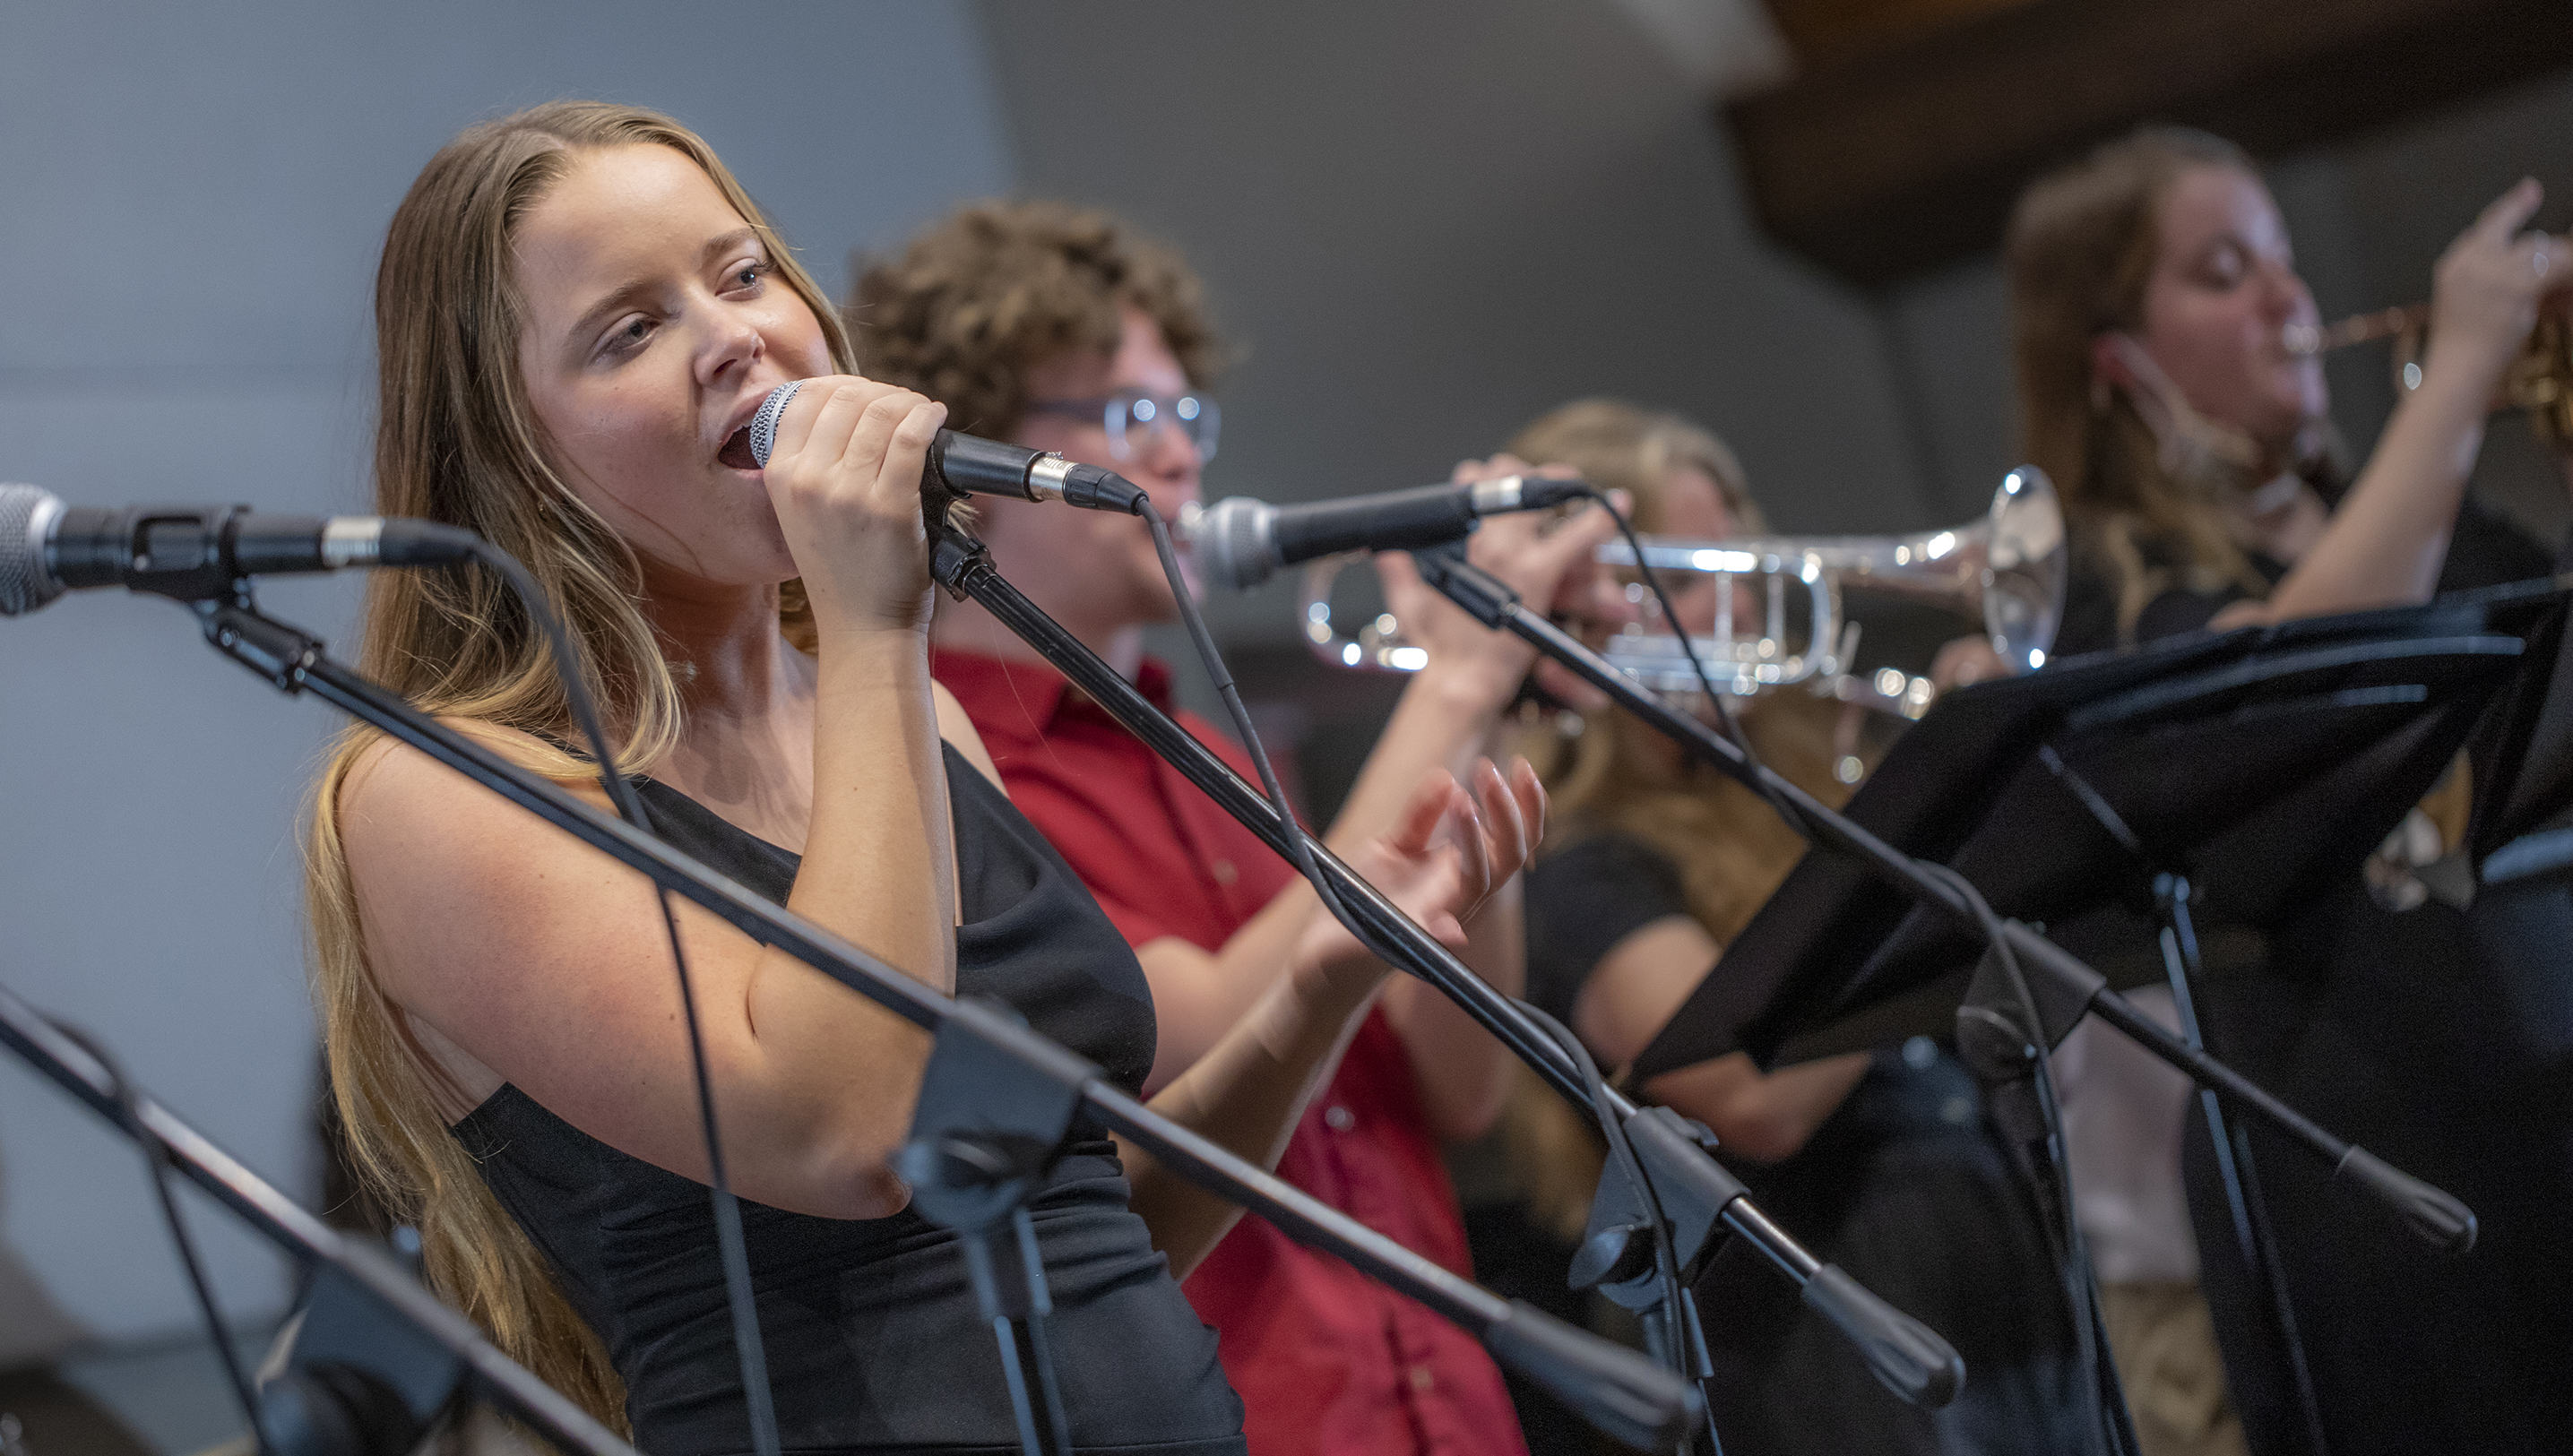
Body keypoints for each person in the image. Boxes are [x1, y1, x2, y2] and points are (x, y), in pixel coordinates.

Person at [306, 102, 1543, 1454]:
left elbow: (1066, 1224)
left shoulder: (915, 725)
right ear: (513, 463)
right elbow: (850, 1129)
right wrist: (875, 623)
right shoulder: (434, 796)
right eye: (629, 329)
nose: (734, 338)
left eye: (740, 273)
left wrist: (1311, 994)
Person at [855, 201, 1616, 1456]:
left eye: (1184, 416)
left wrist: (1491, 719)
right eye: (1127, 416)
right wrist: (1453, 690)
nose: (1178, 458)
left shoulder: (1220, 759)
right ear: (976, 466)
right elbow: (1190, 1028)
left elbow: (1454, 1085)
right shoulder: (948, 771)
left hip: (1443, 1404)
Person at [2007, 125, 2572, 1456]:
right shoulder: (2089, 587)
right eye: (2219, 271)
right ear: (2115, 363)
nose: (2284, 300)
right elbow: (2291, 679)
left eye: (2281, 260)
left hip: (2529, 1084)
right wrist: (2460, 375)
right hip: (2348, 1152)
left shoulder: (2425, 525)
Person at [1497, 399, 2094, 1456]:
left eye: (1737, 565)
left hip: (1981, 1256)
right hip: (1809, 1317)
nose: (1729, 608)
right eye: (1680, 581)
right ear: (1574, 615)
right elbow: (1751, 1095)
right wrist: (1935, 811)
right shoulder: (1572, 861)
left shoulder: (1787, 781)